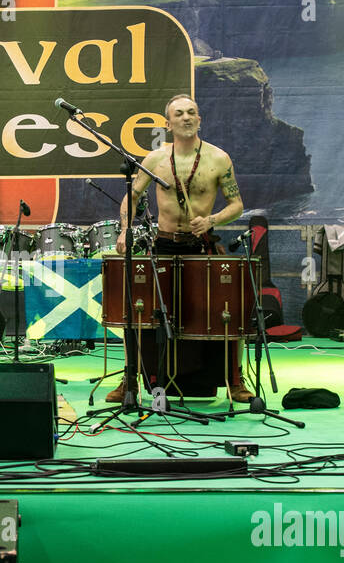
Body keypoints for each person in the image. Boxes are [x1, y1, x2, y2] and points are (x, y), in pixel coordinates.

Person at [106, 94, 254, 404]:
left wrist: (212, 219)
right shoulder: (155, 159)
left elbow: (237, 204)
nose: (186, 118)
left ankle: (234, 379)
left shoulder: (218, 158)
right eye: (179, 114)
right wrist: (125, 230)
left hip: (200, 246)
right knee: (140, 310)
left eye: (191, 112)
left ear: (200, 119)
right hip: (163, 244)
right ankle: (129, 378)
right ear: (168, 123)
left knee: (221, 309)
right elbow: (132, 197)